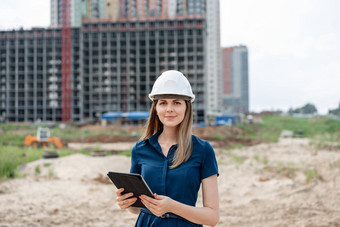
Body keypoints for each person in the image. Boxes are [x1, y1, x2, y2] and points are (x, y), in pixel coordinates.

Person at [115, 70, 220, 226]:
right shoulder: (140, 149)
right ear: (156, 108)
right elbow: (138, 209)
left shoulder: (203, 150)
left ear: (186, 107)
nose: (169, 109)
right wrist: (128, 203)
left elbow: (212, 217)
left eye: (176, 102)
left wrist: (172, 207)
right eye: (163, 102)